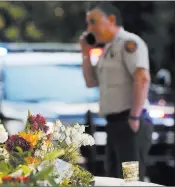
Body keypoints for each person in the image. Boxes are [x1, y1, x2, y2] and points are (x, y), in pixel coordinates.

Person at [79, 2, 153, 181]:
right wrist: (85, 54)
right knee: (114, 179)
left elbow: (142, 78)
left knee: (130, 180)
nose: (90, 28)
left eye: (93, 22)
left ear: (111, 20)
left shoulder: (129, 43)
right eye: (88, 23)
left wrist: (134, 117)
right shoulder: (107, 49)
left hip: (130, 123)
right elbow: (91, 82)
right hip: (114, 125)